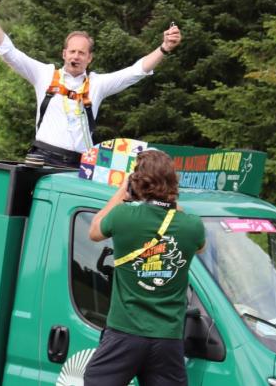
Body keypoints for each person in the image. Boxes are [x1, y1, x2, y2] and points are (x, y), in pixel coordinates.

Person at [0, 0, 181, 167]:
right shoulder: (45, 74)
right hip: (44, 158)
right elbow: (9, 52)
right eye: (72, 52)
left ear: (89, 58)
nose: (76, 57)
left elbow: (136, 71)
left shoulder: (97, 85)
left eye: (81, 53)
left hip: (81, 164)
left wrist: (164, 48)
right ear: (64, 54)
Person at [86, 149, 205, 385]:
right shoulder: (192, 226)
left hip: (124, 332)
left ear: (137, 183)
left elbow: (94, 230)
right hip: (168, 339)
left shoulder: (123, 217)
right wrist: (170, 201)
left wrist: (124, 190)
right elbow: (199, 248)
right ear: (173, 183)